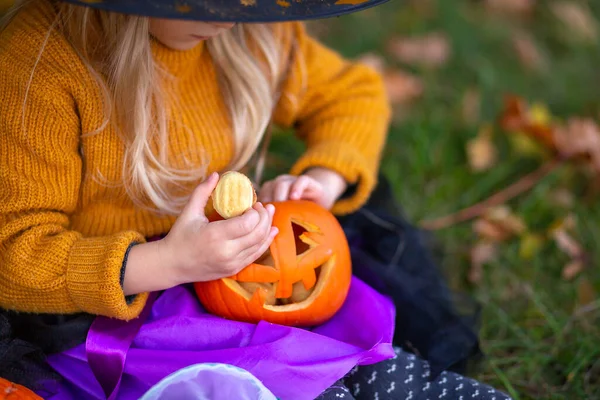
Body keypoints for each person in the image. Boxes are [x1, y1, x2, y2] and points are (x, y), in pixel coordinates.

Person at [0, 0, 512, 398]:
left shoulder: (250, 28)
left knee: (376, 366)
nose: (229, 17)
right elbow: (14, 253)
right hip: (119, 311)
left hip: (236, 270)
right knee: (295, 384)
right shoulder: (39, 67)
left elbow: (352, 95)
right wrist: (167, 262)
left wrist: (322, 179)